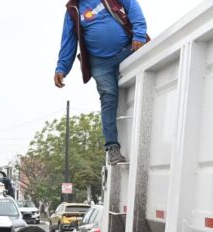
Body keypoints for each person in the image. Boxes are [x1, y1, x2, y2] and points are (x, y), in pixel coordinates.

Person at [54, 0, 148, 165]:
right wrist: (61, 68)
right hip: (100, 63)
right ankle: (112, 148)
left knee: (146, 84)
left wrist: (139, 33)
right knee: (108, 98)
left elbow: (133, 6)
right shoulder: (72, 10)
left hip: (129, 49)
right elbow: (68, 40)